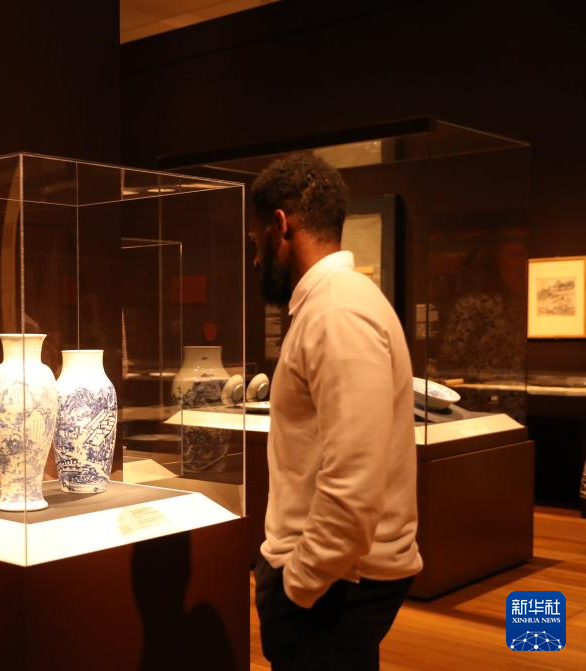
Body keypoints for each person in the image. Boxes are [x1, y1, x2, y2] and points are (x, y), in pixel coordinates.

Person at [249, 152, 422, 670]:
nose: (255, 260)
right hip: (338, 576)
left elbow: (353, 481)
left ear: (281, 225)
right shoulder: (337, 304)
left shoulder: (336, 312)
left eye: (256, 241)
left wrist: (297, 585)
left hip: (337, 584)